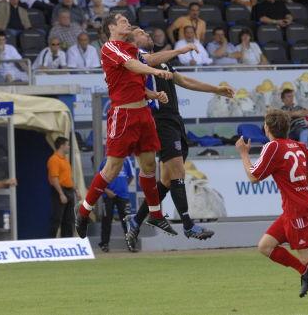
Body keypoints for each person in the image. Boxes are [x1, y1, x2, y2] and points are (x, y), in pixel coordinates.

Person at [125, 28, 234, 249]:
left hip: (174, 120)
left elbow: (185, 81)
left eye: (147, 32)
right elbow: (147, 65)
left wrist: (216, 89)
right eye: (141, 33)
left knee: (167, 180)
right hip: (160, 121)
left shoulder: (162, 63)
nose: (147, 34)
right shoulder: (137, 60)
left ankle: (135, 221)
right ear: (133, 41)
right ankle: (187, 224)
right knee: (178, 171)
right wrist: (181, 49)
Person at [74, 13, 177, 238]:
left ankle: (155, 214)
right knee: (113, 168)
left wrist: (154, 94)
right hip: (124, 115)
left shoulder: (132, 49)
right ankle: (83, 211)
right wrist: (156, 71)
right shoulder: (110, 48)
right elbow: (133, 66)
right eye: (122, 21)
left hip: (143, 112)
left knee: (149, 164)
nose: (127, 23)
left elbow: (137, 79)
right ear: (111, 27)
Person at [235, 109, 308, 302]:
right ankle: (305, 271)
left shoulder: (273, 147)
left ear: (267, 127)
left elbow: (254, 177)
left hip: (298, 209)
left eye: (265, 123)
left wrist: (243, 153)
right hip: (294, 208)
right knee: (265, 246)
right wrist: (305, 182)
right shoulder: (295, 145)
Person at [47, 137, 81, 238]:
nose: (68, 147)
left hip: (69, 190)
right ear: (62, 146)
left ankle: (67, 240)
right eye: (67, 145)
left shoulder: (65, 160)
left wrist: (76, 190)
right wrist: (61, 194)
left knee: (68, 219)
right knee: (57, 218)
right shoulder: (54, 159)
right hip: (60, 190)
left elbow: (68, 177)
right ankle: (51, 241)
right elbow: (54, 178)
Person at [98, 157, 134, 252]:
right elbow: (99, 179)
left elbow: (131, 176)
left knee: (127, 220)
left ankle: (131, 244)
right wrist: (106, 190)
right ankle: (104, 244)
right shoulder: (105, 161)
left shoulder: (126, 160)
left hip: (123, 195)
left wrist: (123, 187)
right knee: (106, 220)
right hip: (108, 195)